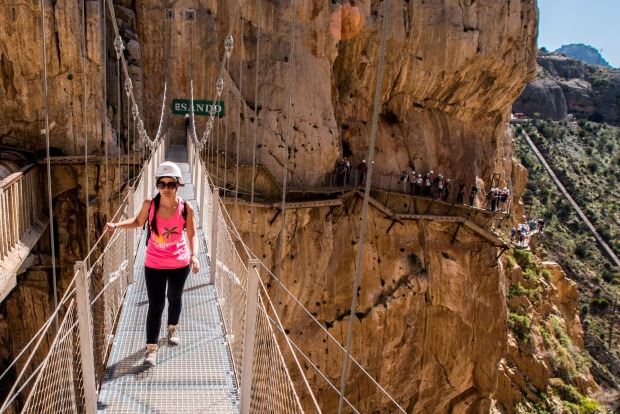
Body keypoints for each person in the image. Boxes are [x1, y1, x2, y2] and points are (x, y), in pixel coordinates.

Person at [104, 161, 200, 367]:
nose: (166, 188)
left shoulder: (186, 207)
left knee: (174, 297)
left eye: (171, 184)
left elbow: (192, 233)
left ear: (178, 185)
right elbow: (138, 222)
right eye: (162, 184)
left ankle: (173, 328)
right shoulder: (150, 204)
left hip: (179, 262)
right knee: (156, 304)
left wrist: (195, 255)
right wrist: (116, 225)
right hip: (154, 262)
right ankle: (151, 349)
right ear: (157, 185)